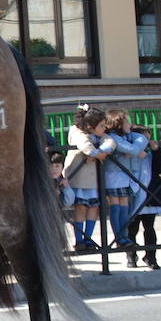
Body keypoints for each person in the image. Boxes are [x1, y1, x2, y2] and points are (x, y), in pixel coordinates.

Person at [65, 106, 113, 251]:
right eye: (102, 126)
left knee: (94, 207)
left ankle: (89, 239)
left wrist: (103, 150)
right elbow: (85, 145)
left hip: (92, 180)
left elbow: (111, 141)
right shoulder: (78, 133)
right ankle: (79, 241)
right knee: (81, 208)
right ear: (90, 127)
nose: (104, 129)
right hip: (79, 178)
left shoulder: (98, 134)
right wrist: (97, 154)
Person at [104, 109, 149, 251]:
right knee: (115, 205)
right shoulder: (112, 136)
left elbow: (143, 139)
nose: (130, 124)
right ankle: (119, 237)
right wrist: (131, 151)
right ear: (118, 123)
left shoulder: (129, 135)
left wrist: (132, 149)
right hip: (113, 174)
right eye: (127, 121)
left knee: (125, 205)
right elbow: (129, 149)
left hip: (125, 175)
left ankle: (124, 236)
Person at [125, 125, 161, 269]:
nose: (147, 142)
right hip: (133, 194)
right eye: (143, 139)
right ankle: (131, 256)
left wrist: (156, 150)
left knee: (149, 227)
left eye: (148, 139)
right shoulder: (128, 153)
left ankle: (151, 257)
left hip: (150, 194)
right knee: (132, 228)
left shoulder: (151, 154)